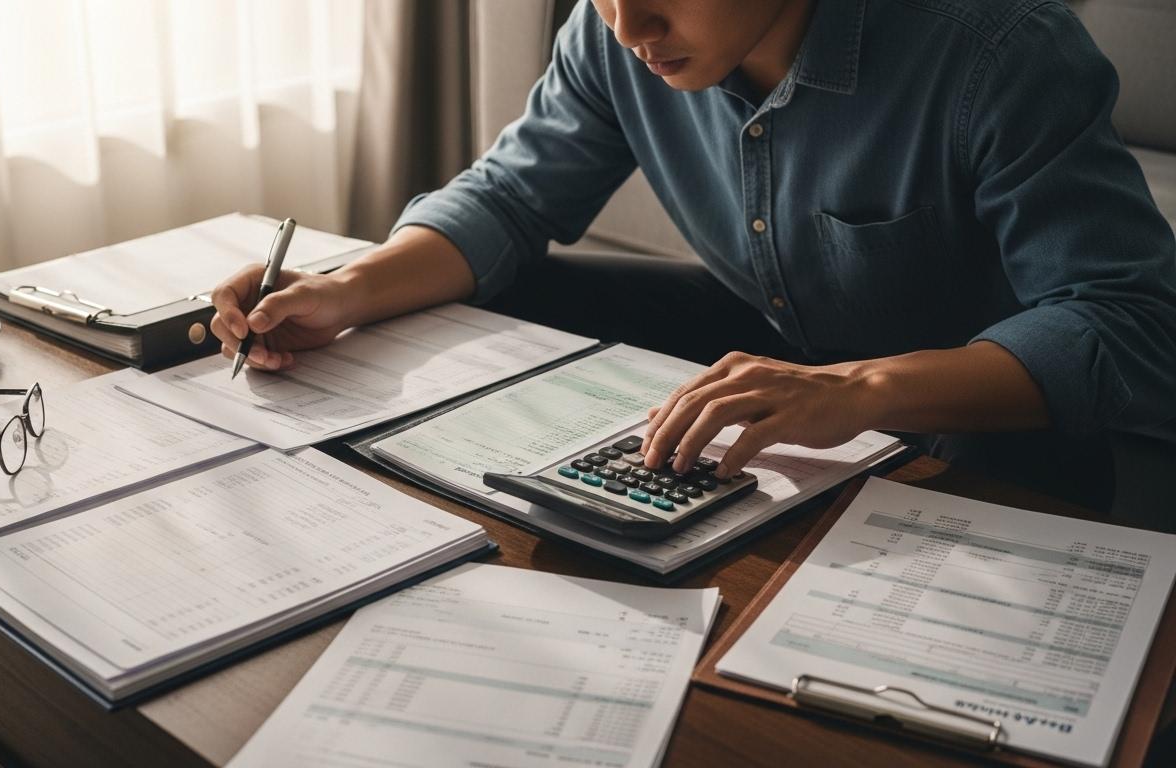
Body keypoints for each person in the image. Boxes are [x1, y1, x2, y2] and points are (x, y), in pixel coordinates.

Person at [210, 0, 1176, 515]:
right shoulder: (613, 30)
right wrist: (344, 288)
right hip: (783, 339)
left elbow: (1130, 324)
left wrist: (862, 389)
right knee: (517, 286)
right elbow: (509, 195)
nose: (630, 26)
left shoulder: (997, 48)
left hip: (987, 421)